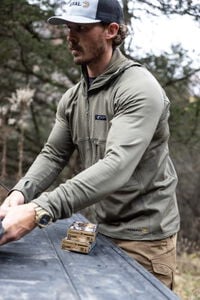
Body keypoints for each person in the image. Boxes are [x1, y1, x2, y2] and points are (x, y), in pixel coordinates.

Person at [0, 0, 180, 290]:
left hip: (145, 241)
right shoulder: (73, 97)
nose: (70, 37)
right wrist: (21, 193)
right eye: (68, 28)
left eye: (81, 28)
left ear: (111, 30)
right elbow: (54, 153)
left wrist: (38, 210)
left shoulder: (138, 88)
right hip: (103, 231)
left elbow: (116, 166)